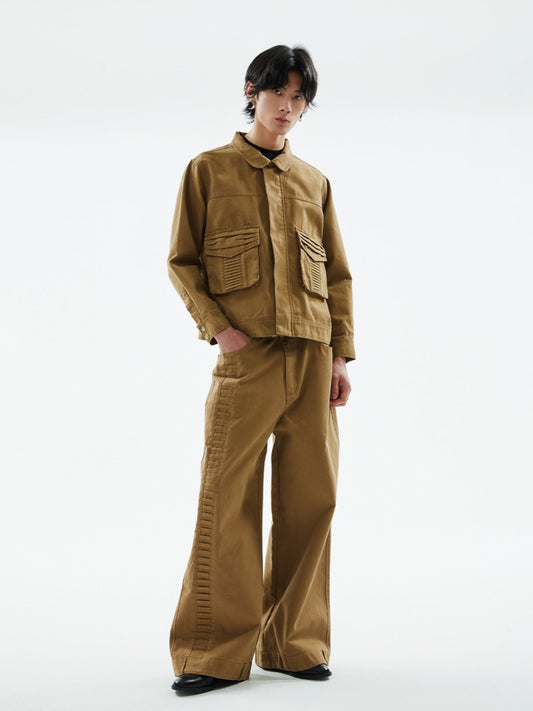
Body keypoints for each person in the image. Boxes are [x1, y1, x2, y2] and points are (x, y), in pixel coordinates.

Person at [166, 44, 355, 696]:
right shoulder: (208, 170)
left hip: (312, 359)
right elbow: (182, 261)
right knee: (227, 500)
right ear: (253, 91)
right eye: (279, 92)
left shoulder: (313, 183)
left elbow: (337, 276)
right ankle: (212, 652)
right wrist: (221, 330)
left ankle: (294, 643)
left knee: (311, 501)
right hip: (248, 361)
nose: (288, 107)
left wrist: (339, 355)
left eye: (300, 97)